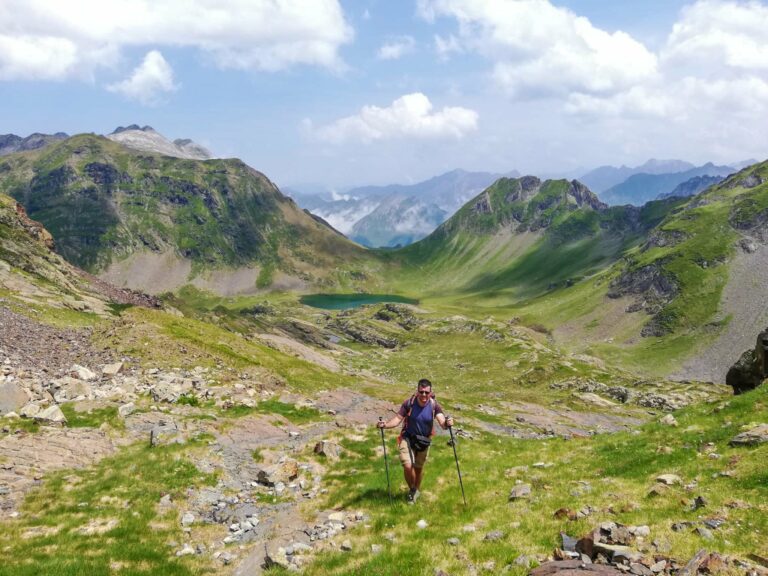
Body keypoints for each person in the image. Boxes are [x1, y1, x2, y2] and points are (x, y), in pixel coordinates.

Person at [377, 378, 454, 503]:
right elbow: (397, 420)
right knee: (407, 465)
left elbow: (442, 423)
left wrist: (448, 423)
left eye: (426, 392)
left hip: (424, 440)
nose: (424, 395)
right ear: (417, 391)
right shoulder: (409, 403)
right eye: (421, 392)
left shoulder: (434, 405)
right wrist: (384, 425)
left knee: (418, 468)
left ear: (430, 392)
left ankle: (415, 491)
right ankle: (412, 489)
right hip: (407, 438)